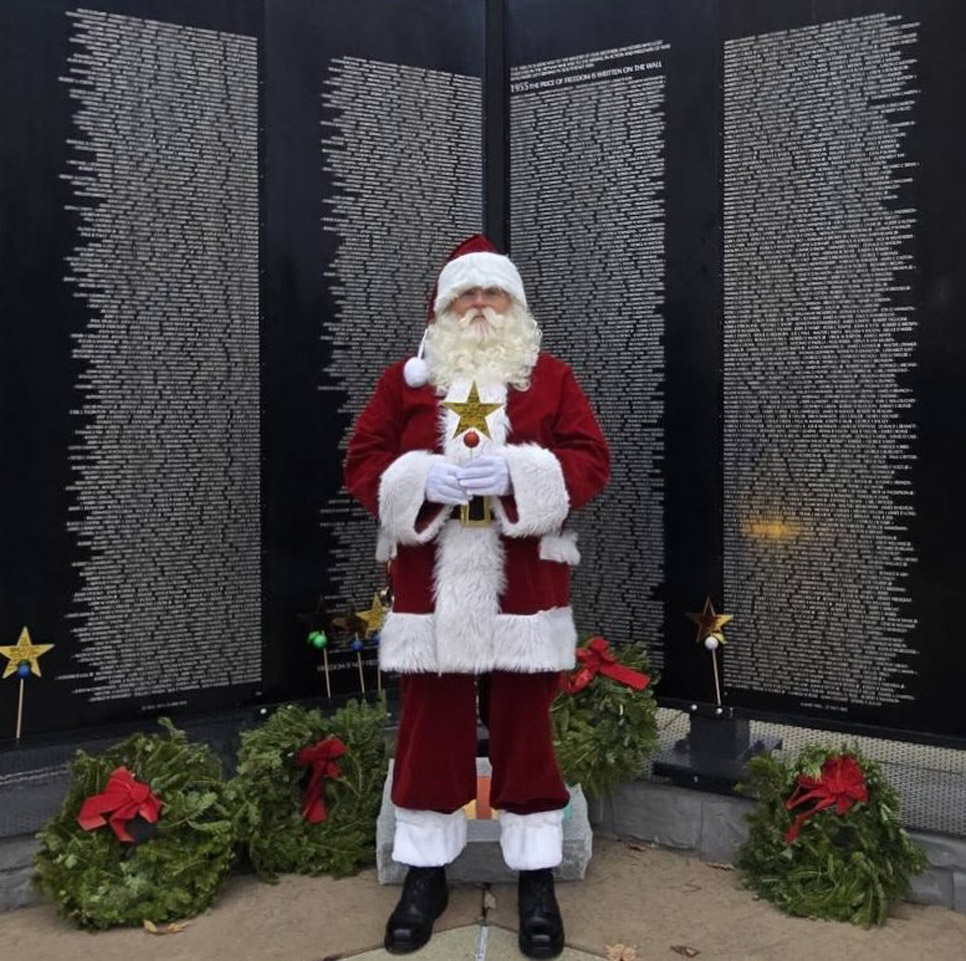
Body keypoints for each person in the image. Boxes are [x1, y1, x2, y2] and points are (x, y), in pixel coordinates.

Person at [344, 234, 610, 959]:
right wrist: (417, 481)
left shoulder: (549, 378)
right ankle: (424, 874)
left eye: (495, 295)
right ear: (443, 308)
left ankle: (537, 880)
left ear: (516, 306)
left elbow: (591, 458)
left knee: (527, 734)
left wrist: (522, 476)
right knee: (429, 730)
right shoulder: (405, 384)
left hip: (522, 589)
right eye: (468, 295)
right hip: (430, 590)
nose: (482, 307)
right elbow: (362, 459)